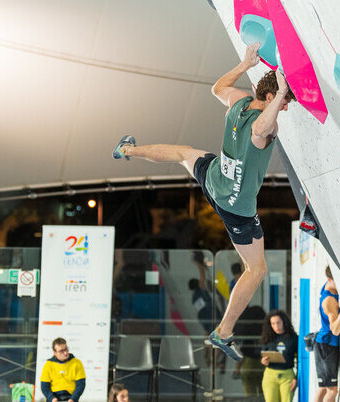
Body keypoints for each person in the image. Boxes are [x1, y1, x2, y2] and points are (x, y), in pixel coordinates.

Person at [112, 42, 296, 361]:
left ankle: (127, 150)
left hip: (214, 177)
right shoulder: (266, 124)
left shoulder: (239, 101)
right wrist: (281, 94)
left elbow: (217, 87)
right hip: (234, 206)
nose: (286, 108)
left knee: (184, 154)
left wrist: (244, 63)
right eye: (284, 102)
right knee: (257, 268)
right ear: (271, 97)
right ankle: (223, 332)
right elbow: (261, 127)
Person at [314, 266, 340, 402]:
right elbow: (335, 329)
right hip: (327, 345)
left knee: (323, 388)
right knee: (332, 390)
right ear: (329, 280)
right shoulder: (329, 301)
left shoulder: (328, 286)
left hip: (322, 343)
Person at [260, 310, 298, 402]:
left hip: (287, 375)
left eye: (278, 323)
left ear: (284, 322)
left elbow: (299, 360)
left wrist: (296, 378)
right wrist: (263, 361)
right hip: (270, 375)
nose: (276, 326)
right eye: (273, 324)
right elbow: (262, 356)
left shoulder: (293, 338)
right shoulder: (268, 337)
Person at [232, 305, 266, 398]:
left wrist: (237, 369)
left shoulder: (242, 325)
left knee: (250, 395)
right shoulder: (258, 312)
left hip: (249, 363)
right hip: (262, 362)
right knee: (263, 394)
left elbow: (242, 351)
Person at [40, 338, 86, 402]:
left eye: (66, 349)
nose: (65, 352)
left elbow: (80, 385)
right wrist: (52, 398)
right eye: (61, 351)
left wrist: (73, 399)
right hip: (54, 396)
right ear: (55, 352)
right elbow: (44, 387)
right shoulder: (48, 365)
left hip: (70, 396)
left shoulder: (77, 363)